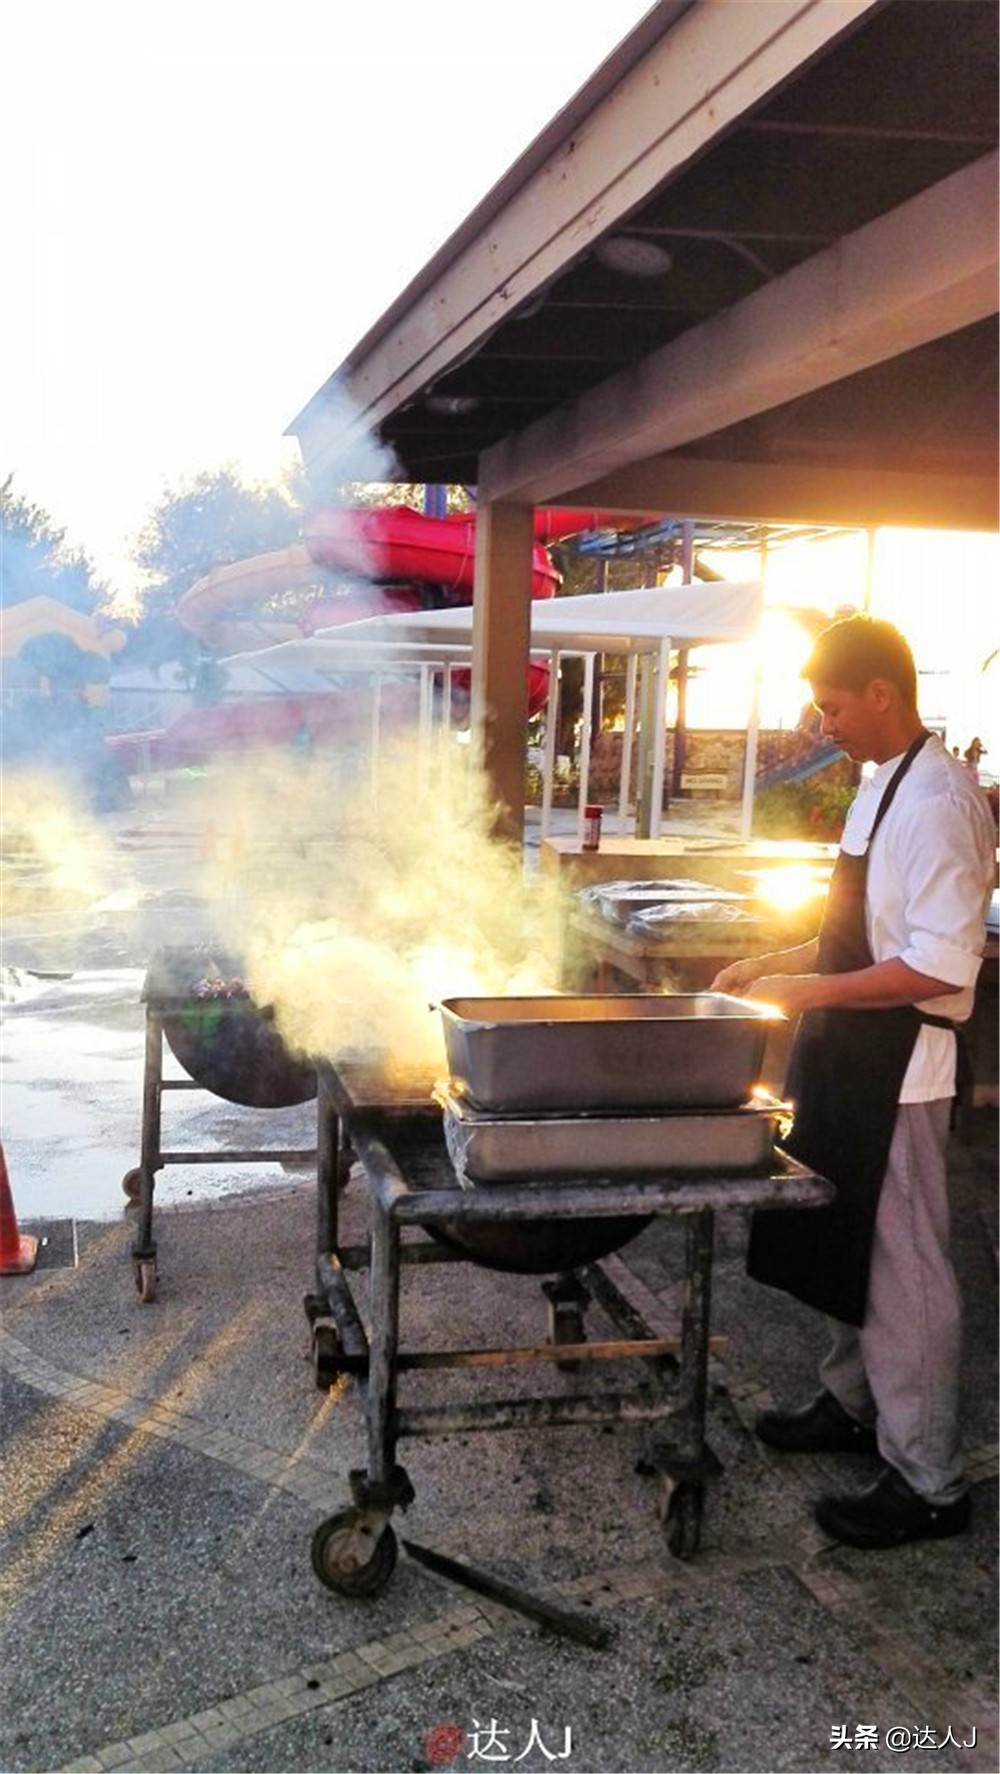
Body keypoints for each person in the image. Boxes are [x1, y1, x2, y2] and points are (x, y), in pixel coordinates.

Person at [712, 614, 995, 1550]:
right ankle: (851, 1399)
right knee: (841, 1234)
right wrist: (771, 964)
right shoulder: (880, 785)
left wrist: (808, 989)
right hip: (845, 1051)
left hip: (902, 1068)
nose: (821, 722)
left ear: (883, 693)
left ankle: (928, 1480)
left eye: (831, 705)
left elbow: (940, 968)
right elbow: (857, 935)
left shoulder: (942, 804)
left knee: (906, 1267)